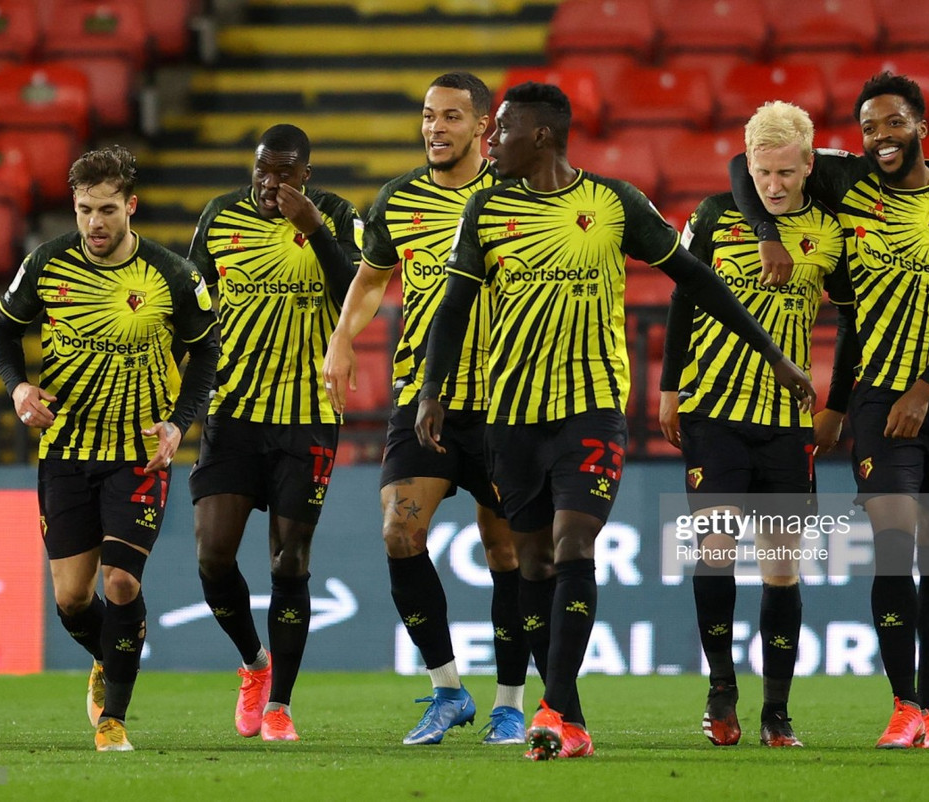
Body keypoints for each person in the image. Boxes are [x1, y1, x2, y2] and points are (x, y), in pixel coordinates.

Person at [416, 82, 816, 760]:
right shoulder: (485, 208)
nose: (491, 144)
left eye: (502, 131)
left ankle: (549, 709)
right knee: (535, 566)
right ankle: (568, 715)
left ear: (540, 136)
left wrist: (773, 354)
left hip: (591, 412)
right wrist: (433, 390)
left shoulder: (614, 203)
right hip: (511, 419)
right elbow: (454, 306)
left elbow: (697, 279)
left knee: (574, 549)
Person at [731, 72, 929, 749]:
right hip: (880, 401)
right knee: (891, 544)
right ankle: (903, 705)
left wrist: (928, 389)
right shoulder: (847, 183)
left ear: (921, 127)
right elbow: (744, 164)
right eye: (870, 128)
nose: (880, 138)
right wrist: (767, 233)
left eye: (893, 124)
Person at [0, 145, 220, 751]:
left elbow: (206, 355)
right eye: (85, 209)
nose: (95, 223)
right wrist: (18, 389)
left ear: (131, 207)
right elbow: (3, 333)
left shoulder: (173, 275)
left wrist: (177, 424)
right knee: (72, 599)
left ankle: (113, 720)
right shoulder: (46, 264)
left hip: (138, 452)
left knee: (120, 582)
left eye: (108, 210)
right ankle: (111, 654)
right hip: (65, 452)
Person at [323, 73, 530, 746]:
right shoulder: (399, 199)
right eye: (427, 116)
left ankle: (509, 702)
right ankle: (448, 691)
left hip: (504, 406)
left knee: (506, 551)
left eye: (449, 117)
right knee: (398, 533)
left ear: (481, 129)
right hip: (424, 403)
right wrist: (341, 342)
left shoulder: (514, 199)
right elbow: (370, 279)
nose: (434, 128)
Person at [659, 101, 858, 748]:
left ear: (808, 166)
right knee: (715, 554)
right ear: (748, 165)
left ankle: (777, 712)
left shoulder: (830, 232)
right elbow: (683, 301)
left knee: (781, 568)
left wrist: (837, 404)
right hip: (712, 411)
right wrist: (667, 388)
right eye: (761, 171)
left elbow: (852, 322)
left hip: (784, 423)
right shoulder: (714, 217)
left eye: (785, 172)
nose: (773, 184)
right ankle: (721, 690)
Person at [187, 124, 362, 742]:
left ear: (305, 176)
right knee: (212, 557)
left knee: (289, 562)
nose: (269, 184)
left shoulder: (337, 216)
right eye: (262, 171)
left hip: (308, 415)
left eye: (283, 173)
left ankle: (280, 705)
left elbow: (355, 300)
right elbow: (190, 303)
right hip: (233, 411)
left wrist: (314, 231)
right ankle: (254, 663)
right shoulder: (220, 216)